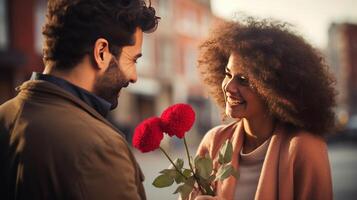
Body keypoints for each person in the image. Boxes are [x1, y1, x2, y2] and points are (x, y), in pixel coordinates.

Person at [0, 0, 159, 199]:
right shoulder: (100, 147)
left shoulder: (4, 115)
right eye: (133, 60)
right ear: (101, 52)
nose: (134, 76)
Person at [191, 17, 336, 200]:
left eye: (243, 80)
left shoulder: (305, 149)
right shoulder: (213, 142)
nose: (228, 87)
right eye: (228, 74)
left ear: (274, 88)